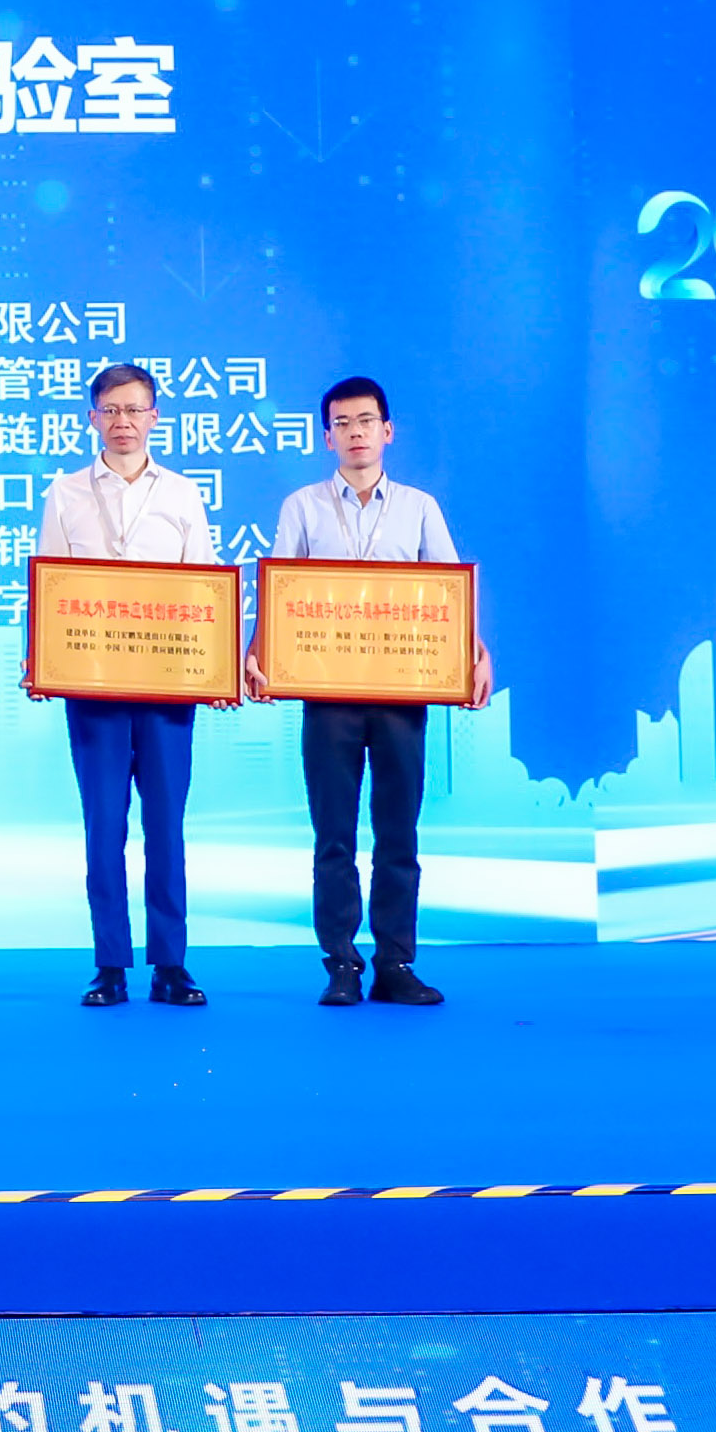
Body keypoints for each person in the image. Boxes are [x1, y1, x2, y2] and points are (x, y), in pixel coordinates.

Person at [257, 374, 489, 1011]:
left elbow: (450, 591)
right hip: (327, 693)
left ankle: (396, 964)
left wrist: (477, 650)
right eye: (341, 423)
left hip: (399, 692)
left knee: (398, 834)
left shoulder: (419, 507)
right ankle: (340, 965)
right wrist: (258, 653)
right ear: (326, 436)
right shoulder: (302, 506)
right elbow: (279, 593)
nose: (354, 433)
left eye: (365, 421)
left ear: (387, 431)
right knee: (332, 835)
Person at [38, 360, 218, 1010]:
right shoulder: (65, 493)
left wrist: (213, 669)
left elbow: (204, 588)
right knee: (103, 826)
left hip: (168, 687)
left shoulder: (184, 494)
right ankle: (110, 964)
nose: (123, 422)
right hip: (94, 689)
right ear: (93, 418)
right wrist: (44, 662)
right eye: (111, 410)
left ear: (154, 418)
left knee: (166, 827)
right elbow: (52, 584)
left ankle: (171, 964)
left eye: (135, 410)